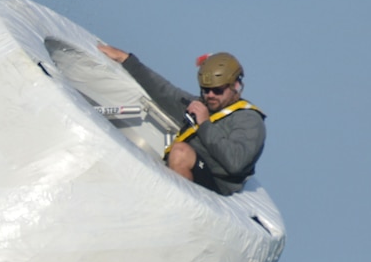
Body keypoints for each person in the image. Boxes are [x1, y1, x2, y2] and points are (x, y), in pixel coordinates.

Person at [94, 44, 264, 195]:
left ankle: (180, 207)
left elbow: (236, 163)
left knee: (181, 152)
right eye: (205, 90)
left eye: (217, 91)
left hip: (216, 183)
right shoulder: (202, 105)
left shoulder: (249, 120)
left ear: (235, 86)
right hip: (191, 172)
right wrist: (127, 60)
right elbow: (165, 92)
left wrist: (204, 124)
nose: (210, 95)